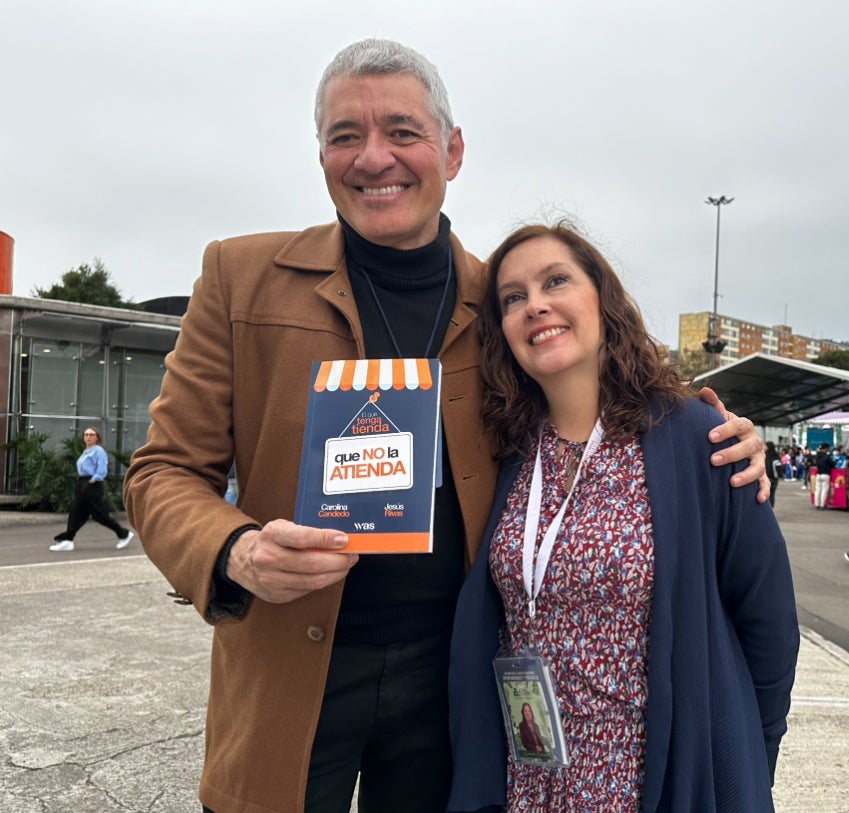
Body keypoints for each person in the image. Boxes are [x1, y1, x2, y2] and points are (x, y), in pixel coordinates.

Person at [122, 39, 768, 813]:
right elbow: (161, 473)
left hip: (451, 684)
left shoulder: (499, 302)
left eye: (402, 131)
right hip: (290, 671)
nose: (373, 158)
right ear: (320, 154)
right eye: (343, 136)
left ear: (452, 150)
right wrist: (236, 550)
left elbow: (595, 399)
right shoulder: (241, 278)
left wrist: (715, 429)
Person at [447, 223, 799, 812]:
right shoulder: (504, 451)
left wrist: (746, 761)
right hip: (530, 780)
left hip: (653, 779)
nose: (535, 305)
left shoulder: (696, 439)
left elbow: (768, 620)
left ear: (603, 302)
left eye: (555, 280)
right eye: (513, 298)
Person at [50, 427, 135, 552]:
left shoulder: (98, 451)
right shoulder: (86, 451)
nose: (88, 437)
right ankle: (68, 540)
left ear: (97, 437)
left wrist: (93, 480)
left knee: (99, 514)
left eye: (91, 434)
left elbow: (102, 468)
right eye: (86, 434)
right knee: (75, 512)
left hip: (92, 484)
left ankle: (123, 533)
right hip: (83, 483)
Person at [813, 442, 834, 509]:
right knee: (824, 490)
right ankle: (822, 505)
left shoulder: (817, 456)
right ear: (826, 448)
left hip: (818, 474)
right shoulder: (827, 456)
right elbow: (832, 463)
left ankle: (817, 504)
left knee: (817, 490)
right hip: (825, 474)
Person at [765, 440, 781, 507]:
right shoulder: (775, 456)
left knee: (769, 494)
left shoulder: (767, 456)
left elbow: (778, 467)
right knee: (770, 494)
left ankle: (770, 508)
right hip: (771, 478)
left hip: (771, 478)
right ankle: (770, 508)